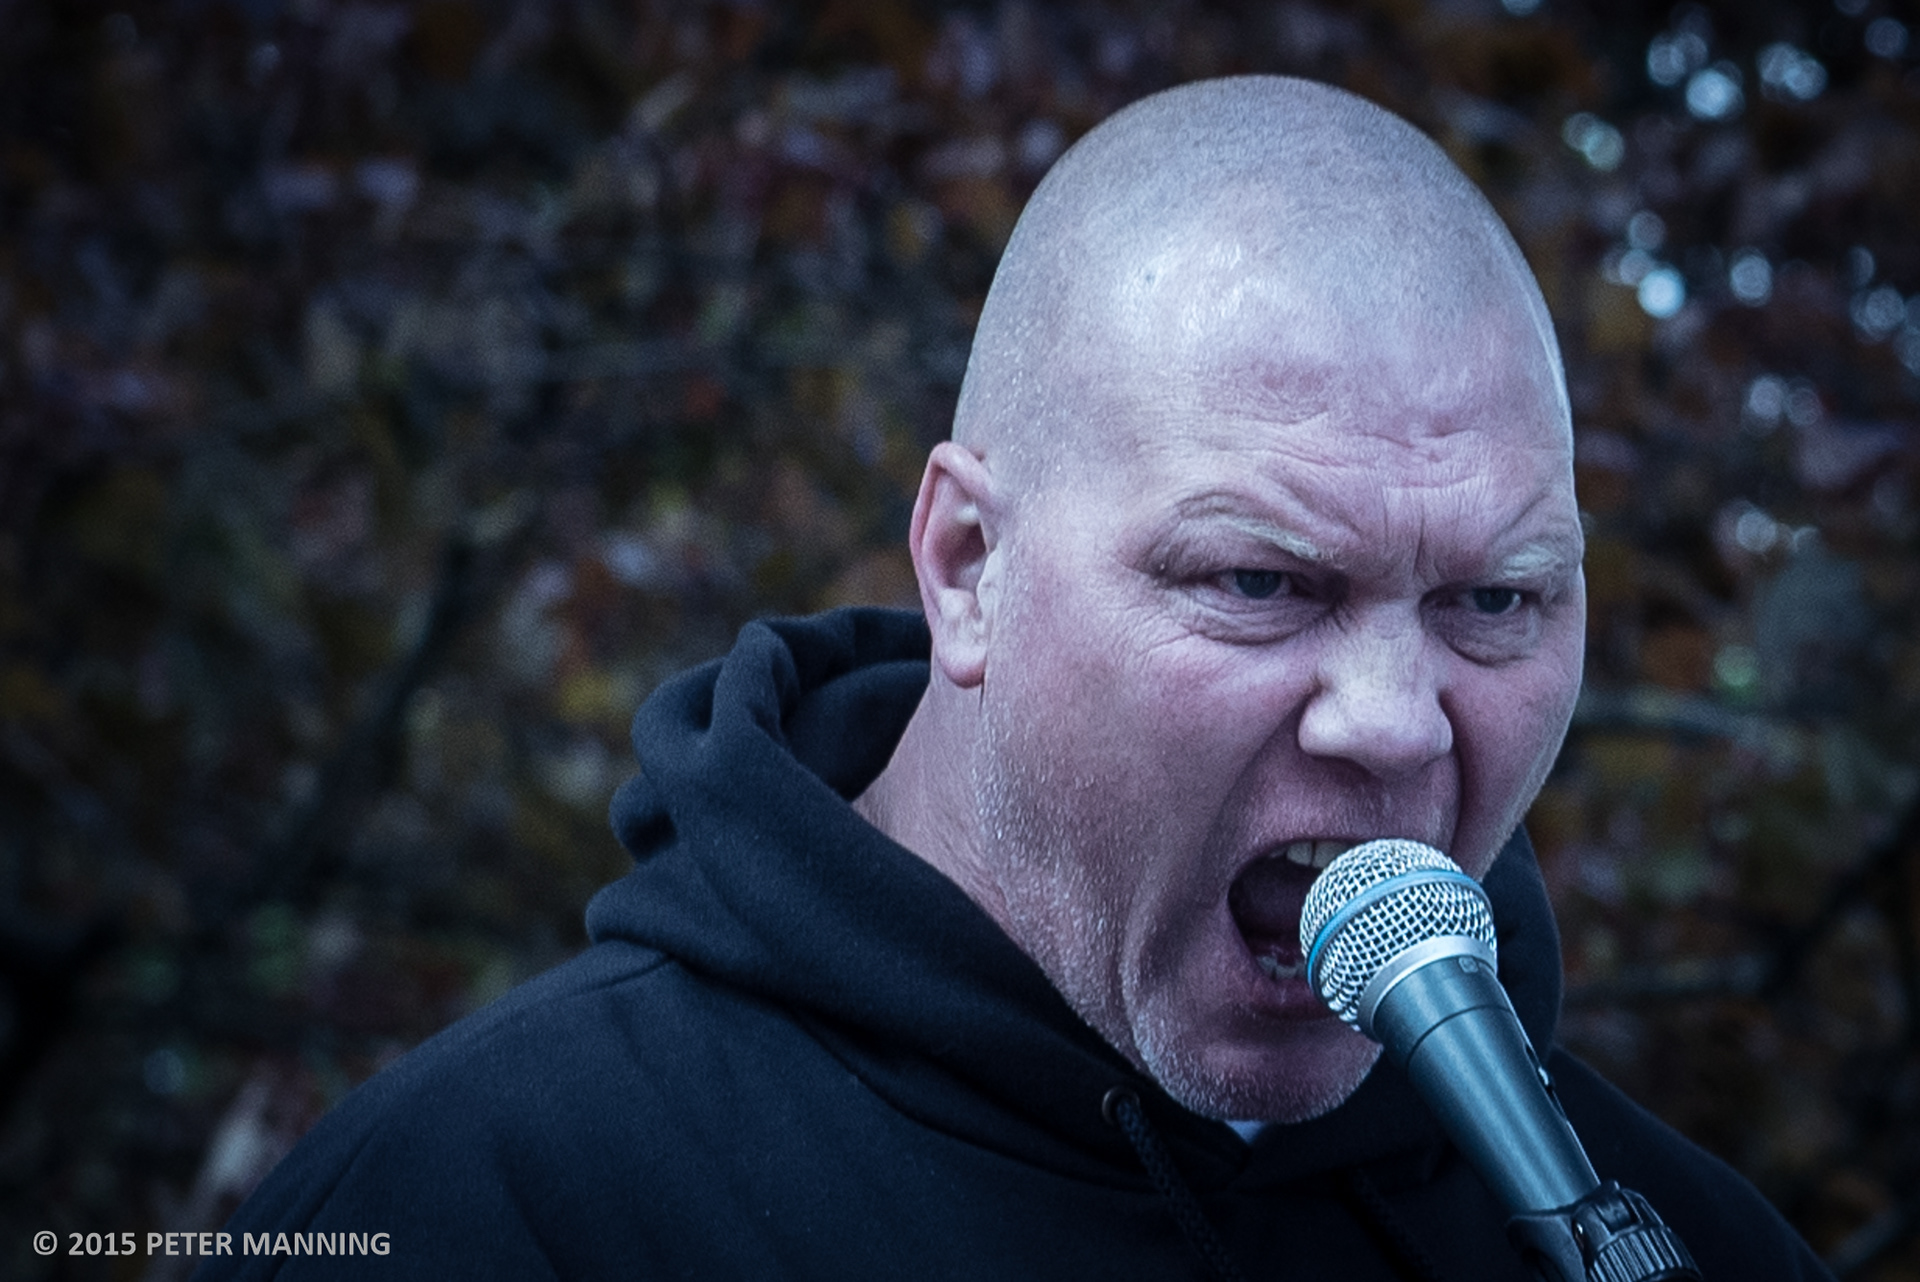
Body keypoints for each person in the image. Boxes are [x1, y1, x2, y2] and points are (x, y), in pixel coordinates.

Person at [198, 77, 1832, 1280]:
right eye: (1260, 582)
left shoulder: (1680, 1240)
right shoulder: (477, 1207)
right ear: (970, 564)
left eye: (1496, 600)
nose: (1397, 721)